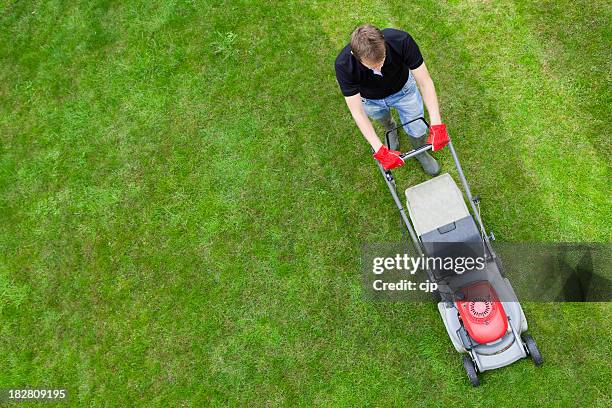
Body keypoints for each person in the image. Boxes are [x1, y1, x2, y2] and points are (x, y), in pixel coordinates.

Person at [334, 24, 449, 174]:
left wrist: (436, 123)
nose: (378, 69)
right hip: (370, 100)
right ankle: (391, 128)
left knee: (418, 127)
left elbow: (425, 82)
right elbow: (358, 112)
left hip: (404, 91)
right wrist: (379, 149)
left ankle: (420, 152)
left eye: (381, 61)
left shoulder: (402, 40)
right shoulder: (343, 65)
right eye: (371, 66)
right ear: (355, 55)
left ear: (384, 42)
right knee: (382, 118)